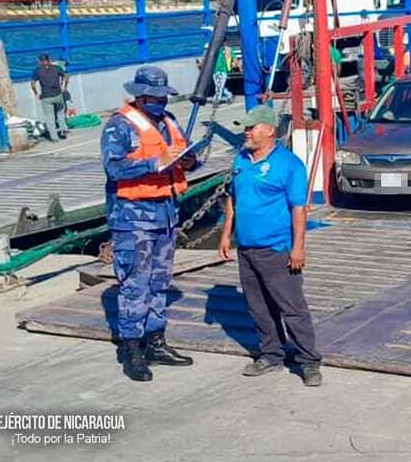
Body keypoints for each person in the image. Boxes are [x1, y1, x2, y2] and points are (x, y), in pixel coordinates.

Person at [100, 65, 197, 382]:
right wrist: (154, 163)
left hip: (166, 215)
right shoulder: (119, 126)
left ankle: (156, 341)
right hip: (133, 218)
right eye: (154, 98)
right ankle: (131, 349)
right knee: (135, 284)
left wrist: (190, 160)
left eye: (163, 97)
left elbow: (185, 155)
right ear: (140, 96)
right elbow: (114, 168)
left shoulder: (169, 121)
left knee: (159, 282)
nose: (160, 103)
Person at [218, 105, 323, 387]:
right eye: (245, 128)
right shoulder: (241, 160)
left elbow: (298, 209)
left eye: (251, 128)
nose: (246, 133)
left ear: (269, 131)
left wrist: (298, 248)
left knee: (292, 308)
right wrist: (227, 234)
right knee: (258, 306)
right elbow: (233, 199)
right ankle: (271, 355)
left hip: (276, 249)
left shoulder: (289, 165)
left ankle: (309, 361)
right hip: (246, 249)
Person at [30, 53, 68, 141]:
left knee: (50, 117)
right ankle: (63, 130)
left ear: (40, 61)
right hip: (58, 95)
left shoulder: (37, 70)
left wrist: (36, 93)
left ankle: (54, 137)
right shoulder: (57, 67)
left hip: (46, 97)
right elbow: (66, 76)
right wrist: (64, 87)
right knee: (60, 113)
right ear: (49, 59)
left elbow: (32, 83)